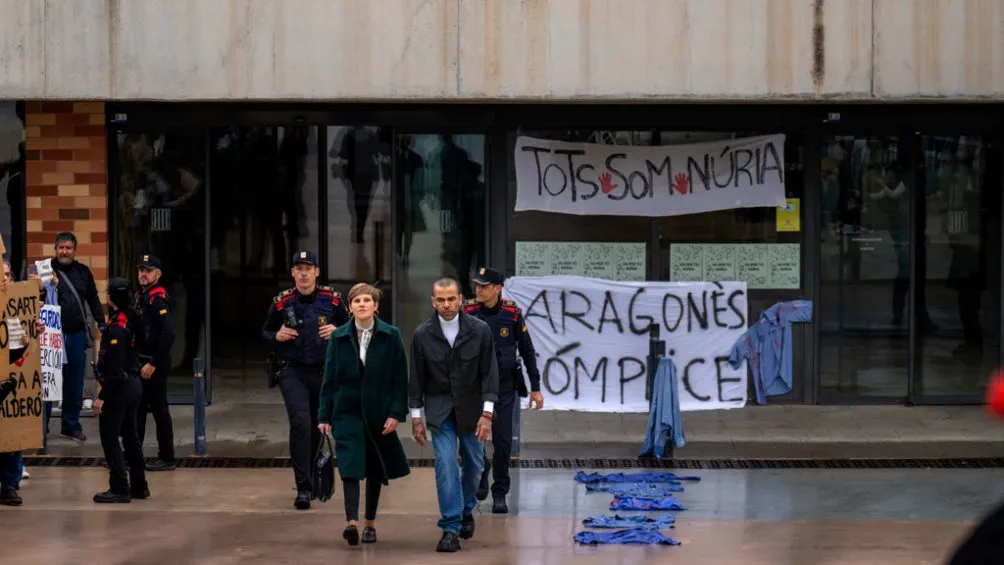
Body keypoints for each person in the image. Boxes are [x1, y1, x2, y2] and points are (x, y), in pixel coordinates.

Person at [409, 277, 498, 553]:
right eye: (440, 299)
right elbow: (417, 378)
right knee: (446, 465)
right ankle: (450, 528)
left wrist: (487, 414)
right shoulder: (422, 334)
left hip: (472, 409)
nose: (446, 305)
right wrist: (415, 417)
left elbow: (489, 373)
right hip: (439, 410)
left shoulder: (480, 330)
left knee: (475, 465)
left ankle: (465, 507)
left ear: (461, 299)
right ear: (432, 301)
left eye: (451, 299)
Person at [318, 283, 410, 546]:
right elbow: (330, 378)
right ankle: (351, 523)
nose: (362, 304)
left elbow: (398, 379)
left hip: (378, 414)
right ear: (349, 307)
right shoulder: (338, 338)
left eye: (367, 300)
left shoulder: (391, 336)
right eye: (357, 301)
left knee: (373, 468)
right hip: (346, 412)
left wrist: (396, 412)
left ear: (376, 306)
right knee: (349, 466)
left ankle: (370, 522)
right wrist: (324, 416)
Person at [262, 250, 349, 509]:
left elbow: (350, 331)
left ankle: (312, 475)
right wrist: (276, 336)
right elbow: (265, 331)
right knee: (300, 424)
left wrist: (337, 331)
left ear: (316, 272)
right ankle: (303, 487)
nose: (303, 273)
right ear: (292, 273)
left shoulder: (332, 301)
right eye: (298, 268)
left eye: (307, 268)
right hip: (292, 371)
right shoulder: (282, 302)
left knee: (316, 426)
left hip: (323, 371)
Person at [464, 266, 545, 514]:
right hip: (474, 387)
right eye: (477, 285)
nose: (479, 289)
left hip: (504, 386)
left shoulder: (511, 314)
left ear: (497, 289)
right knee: (472, 439)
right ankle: (480, 472)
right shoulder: (467, 312)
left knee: (502, 440)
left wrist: (535, 388)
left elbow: (528, 351)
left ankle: (500, 491)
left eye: (484, 286)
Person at [91, 277, 150, 503]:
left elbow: (115, 369)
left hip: (120, 386)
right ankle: (139, 486)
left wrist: (101, 397)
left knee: (110, 437)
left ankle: (119, 487)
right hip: (133, 383)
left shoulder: (117, 327)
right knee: (131, 437)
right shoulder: (133, 320)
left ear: (110, 298)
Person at [50, 231, 105, 442]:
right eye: (61, 247)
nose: (64, 251)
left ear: (74, 250)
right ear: (55, 249)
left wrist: (102, 322)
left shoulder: (83, 271)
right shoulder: (45, 270)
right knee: (49, 381)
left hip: (77, 333)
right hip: (52, 335)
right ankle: (42, 427)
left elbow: (92, 298)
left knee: (74, 381)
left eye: (68, 248)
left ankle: (70, 425)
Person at [0, 265, 46, 505]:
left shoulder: (14, 307)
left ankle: (9, 485)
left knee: (11, 428)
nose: (4, 279)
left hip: (8, 382)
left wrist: (32, 330)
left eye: (7, 275)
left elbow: (23, 351)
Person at [133, 254, 176, 472]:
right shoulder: (141, 295)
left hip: (153, 363)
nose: (143, 273)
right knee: (138, 410)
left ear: (157, 274)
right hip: (141, 362)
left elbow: (169, 333)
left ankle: (167, 457)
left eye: (148, 270)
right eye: (141, 269)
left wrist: (154, 363)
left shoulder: (157, 298)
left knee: (159, 410)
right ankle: (134, 455)